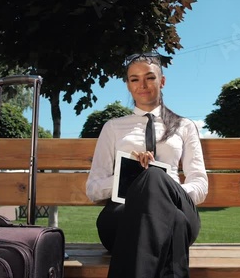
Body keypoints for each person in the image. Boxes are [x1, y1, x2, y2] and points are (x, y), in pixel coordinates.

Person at [85, 52, 208, 278]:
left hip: (177, 203)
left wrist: (161, 185)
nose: (142, 84)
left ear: (162, 81)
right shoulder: (113, 127)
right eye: (134, 79)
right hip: (124, 215)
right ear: (128, 85)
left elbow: (200, 185)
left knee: (155, 178)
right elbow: (93, 189)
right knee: (174, 220)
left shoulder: (184, 126)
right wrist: (130, 176)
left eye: (150, 77)